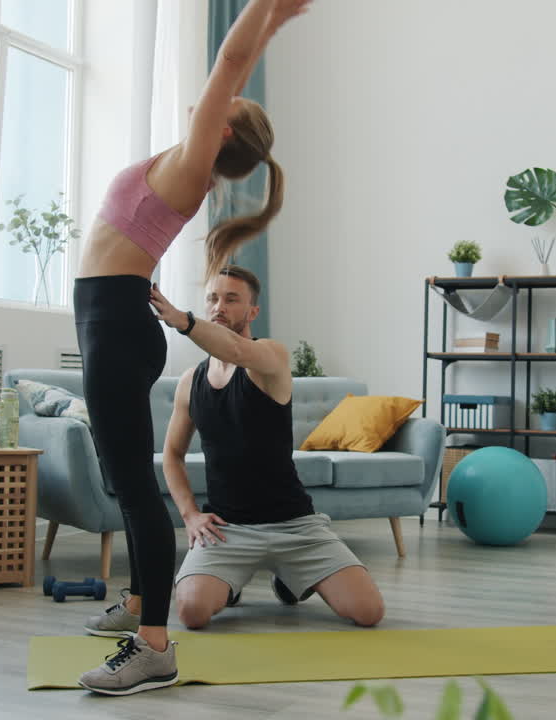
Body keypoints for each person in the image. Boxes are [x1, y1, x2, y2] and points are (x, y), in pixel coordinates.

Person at [73, 0, 312, 697]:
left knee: (137, 491)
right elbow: (235, 67)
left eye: (223, 101)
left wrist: (264, 8)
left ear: (224, 125)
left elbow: (230, 63)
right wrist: (278, 20)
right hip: (110, 320)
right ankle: (145, 603)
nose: (218, 95)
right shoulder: (186, 163)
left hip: (116, 323)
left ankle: (152, 648)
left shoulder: (190, 163)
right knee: (126, 482)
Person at [149, 265, 385, 631]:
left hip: (296, 526)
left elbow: (236, 350)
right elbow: (173, 456)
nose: (219, 307)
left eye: (231, 299)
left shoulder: (270, 357)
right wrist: (190, 515)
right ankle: (231, 583)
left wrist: (183, 320)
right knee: (192, 612)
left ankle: (290, 576)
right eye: (213, 298)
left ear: (253, 311)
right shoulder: (189, 382)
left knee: (368, 612)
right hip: (228, 529)